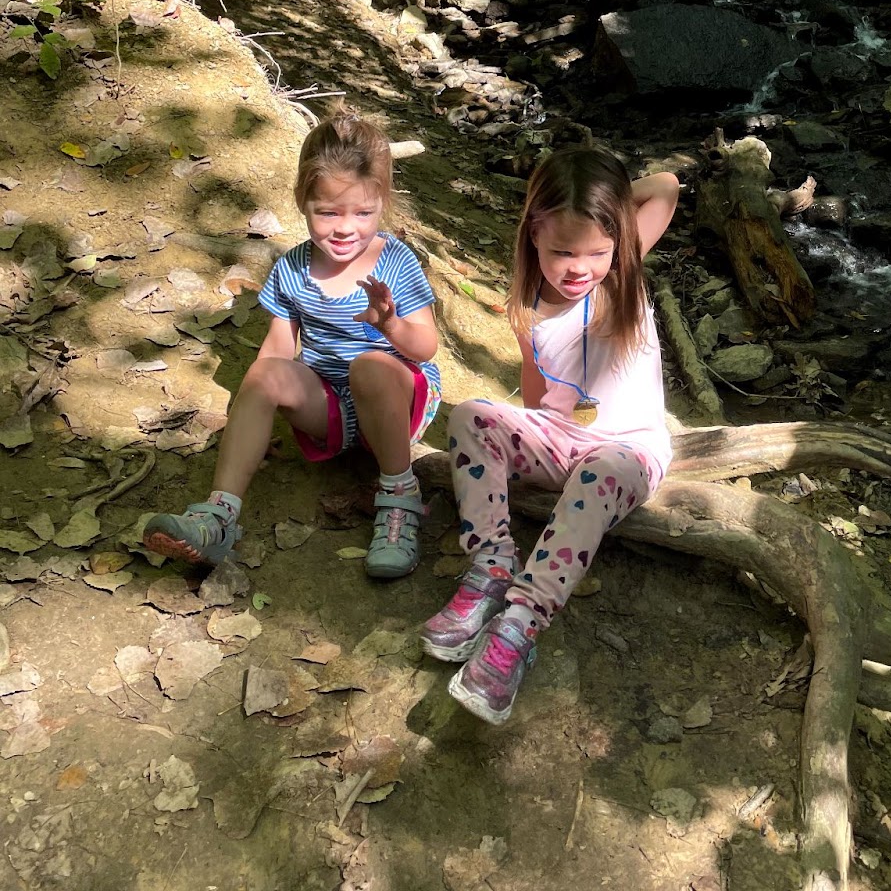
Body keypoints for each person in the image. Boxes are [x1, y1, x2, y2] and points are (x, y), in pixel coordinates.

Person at [421, 148, 680, 725]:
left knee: (602, 470)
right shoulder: (529, 303)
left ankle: (520, 622)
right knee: (470, 416)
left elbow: (664, 184)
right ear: (533, 233)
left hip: (628, 450)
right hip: (561, 437)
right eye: (561, 250)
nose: (579, 266)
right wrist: (532, 432)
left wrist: (602, 201)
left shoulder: (622, 276)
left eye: (595, 250)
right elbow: (534, 387)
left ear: (618, 243)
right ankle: (491, 565)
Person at [143, 112, 440, 580]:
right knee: (261, 374)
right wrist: (253, 421)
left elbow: (426, 348)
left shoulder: (395, 261)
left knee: (369, 366)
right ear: (303, 201)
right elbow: (277, 355)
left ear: (382, 204)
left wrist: (391, 327)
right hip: (332, 408)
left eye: (363, 213)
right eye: (329, 212)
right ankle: (218, 516)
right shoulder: (292, 269)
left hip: (397, 398)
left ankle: (400, 495)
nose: (346, 229)